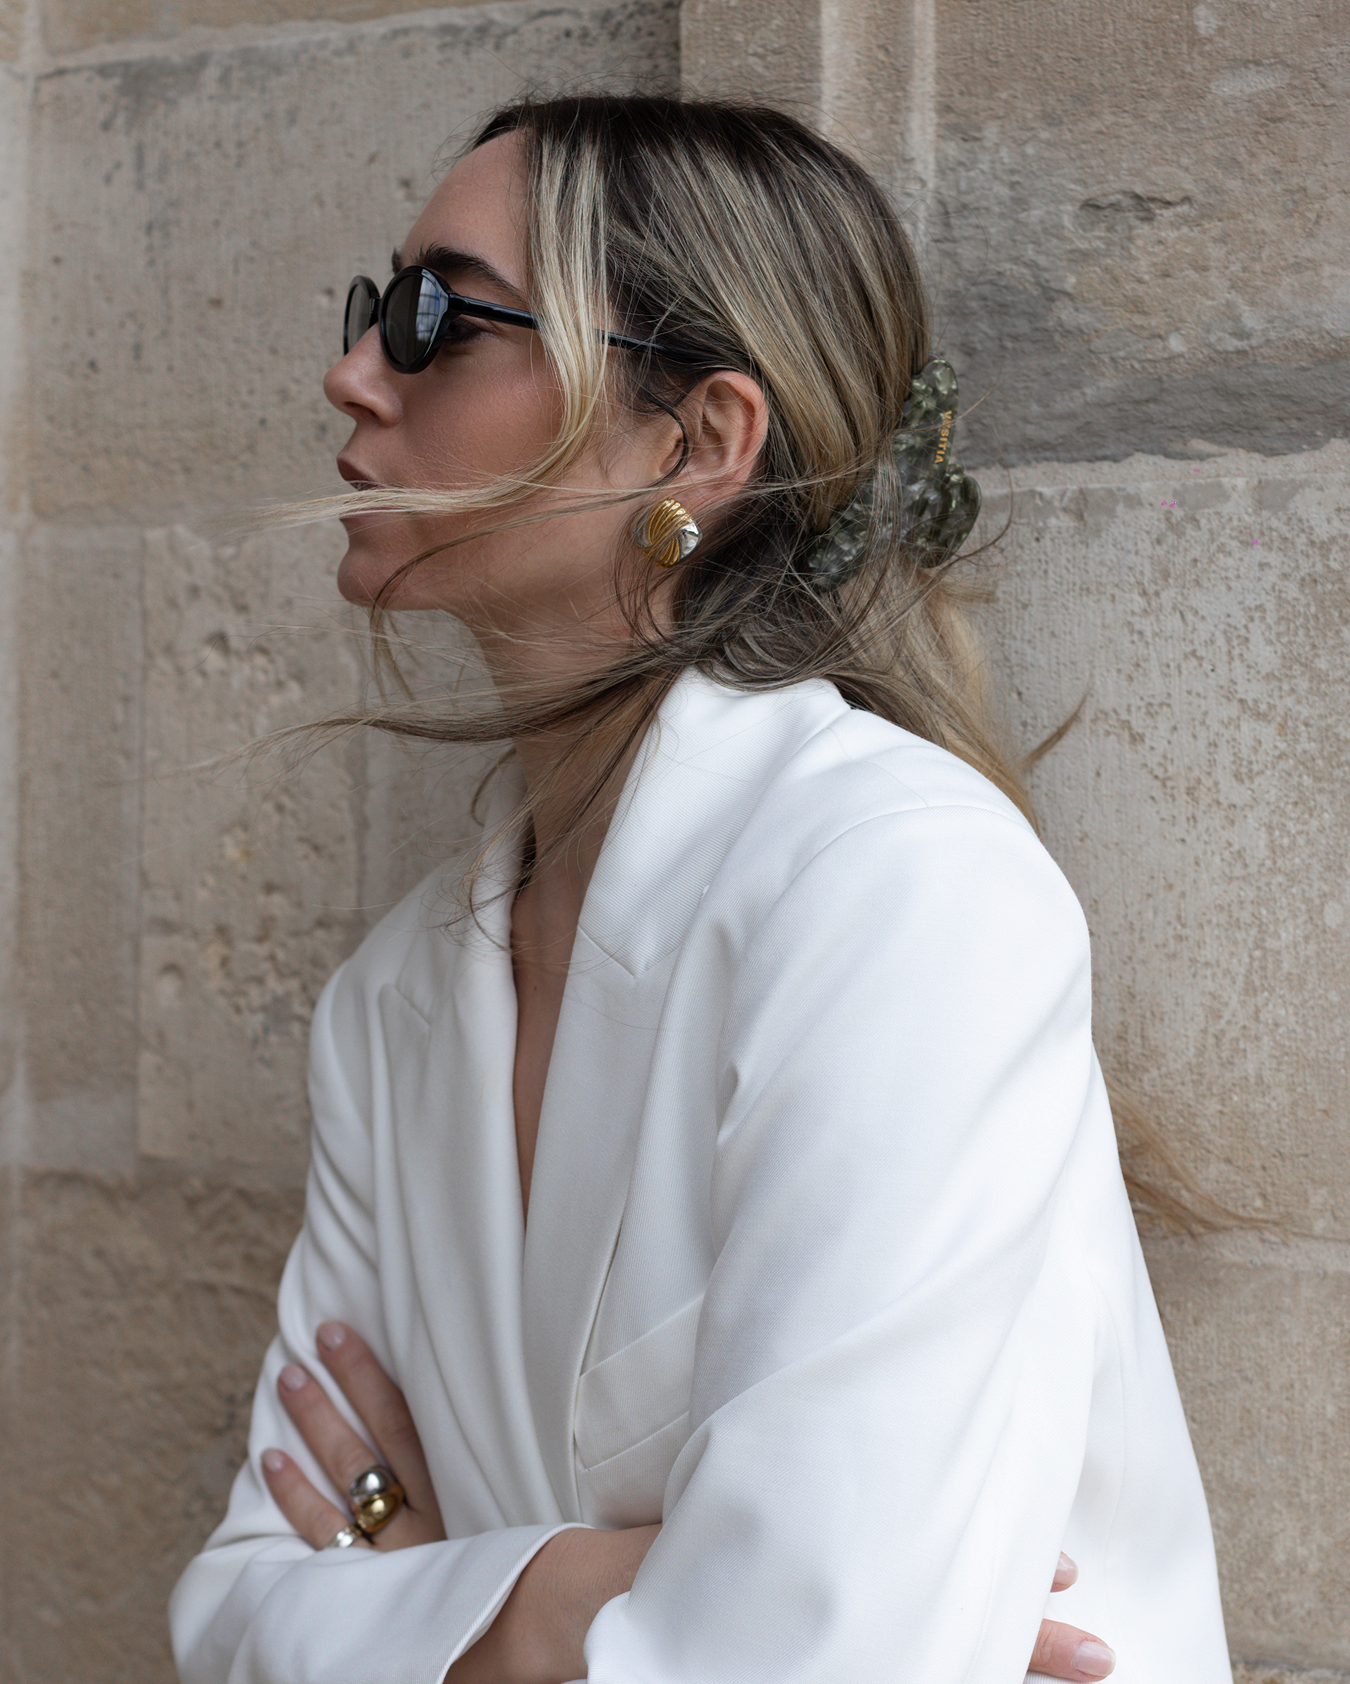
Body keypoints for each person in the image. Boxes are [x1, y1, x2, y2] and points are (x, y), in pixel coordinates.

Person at [169, 95, 1232, 1684]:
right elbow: (236, 1613)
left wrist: (443, 1599)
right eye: (374, 310)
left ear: (696, 441)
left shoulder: (895, 892)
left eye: (440, 315)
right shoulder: (394, 999)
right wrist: (570, 1599)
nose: (356, 371)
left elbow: (809, 1654)